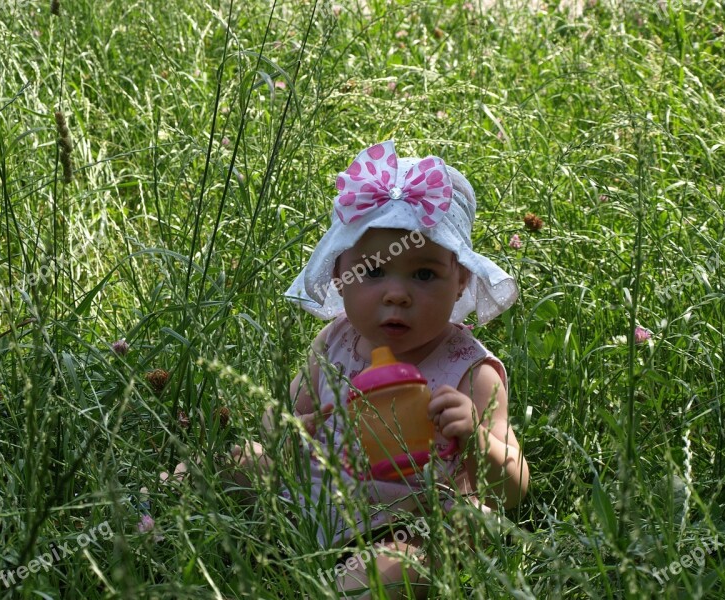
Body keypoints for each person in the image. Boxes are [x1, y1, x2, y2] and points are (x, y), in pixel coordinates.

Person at [216, 141, 529, 598]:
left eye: (424, 275)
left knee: (395, 570)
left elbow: (514, 489)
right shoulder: (335, 342)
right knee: (237, 460)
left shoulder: (470, 371)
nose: (397, 294)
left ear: (461, 279)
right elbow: (288, 416)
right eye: (373, 271)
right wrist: (284, 429)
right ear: (339, 273)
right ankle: (152, 510)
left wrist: (477, 435)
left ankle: (354, 580)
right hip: (325, 493)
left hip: (413, 521)